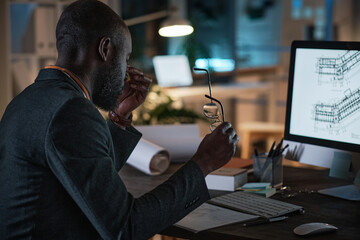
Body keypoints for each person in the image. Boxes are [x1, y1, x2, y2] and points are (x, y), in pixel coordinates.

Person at [0, 0, 239, 239]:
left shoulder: (25, 100)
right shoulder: (70, 111)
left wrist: (119, 117)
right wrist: (203, 162)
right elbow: (126, 227)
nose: (127, 69)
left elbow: (88, 181)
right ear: (105, 49)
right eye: (125, 58)